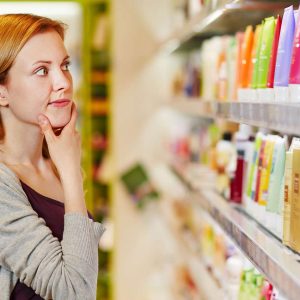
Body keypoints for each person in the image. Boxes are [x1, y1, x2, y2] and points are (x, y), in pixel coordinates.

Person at [0, 14, 105, 300]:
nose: (64, 83)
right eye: (41, 71)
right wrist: (71, 171)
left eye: (65, 65)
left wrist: (67, 169)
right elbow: (74, 293)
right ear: (2, 92)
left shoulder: (55, 162)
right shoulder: (4, 185)